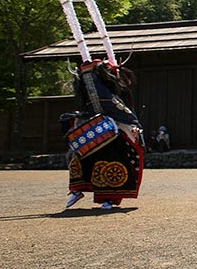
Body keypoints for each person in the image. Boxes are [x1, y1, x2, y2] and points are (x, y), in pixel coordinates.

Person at [62, 59, 145, 210]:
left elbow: (127, 116)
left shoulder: (112, 99)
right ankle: (77, 189)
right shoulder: (90, 101)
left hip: (113, 139)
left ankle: (108, 198)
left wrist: (133, 128)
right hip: (94, 135)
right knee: (78, 159)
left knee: (109, 165)